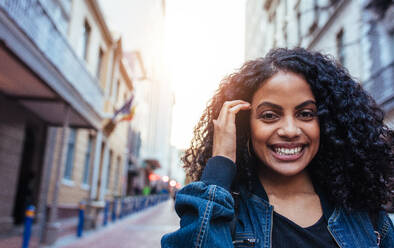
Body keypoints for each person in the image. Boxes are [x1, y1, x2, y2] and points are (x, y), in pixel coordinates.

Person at [161, 48, 394, 247]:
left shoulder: (364, 212)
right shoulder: (226, 211)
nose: (290, 130)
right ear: (245, 125)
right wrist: (221, 164)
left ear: (327, 122)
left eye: (305, 114)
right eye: (270, 115)